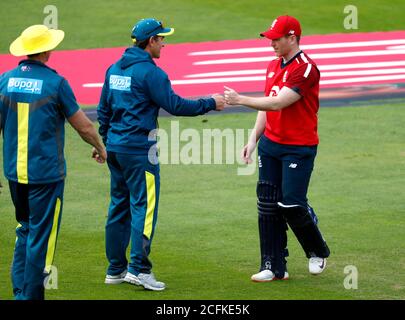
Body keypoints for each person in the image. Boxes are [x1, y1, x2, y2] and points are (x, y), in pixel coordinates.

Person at [98, 18, 225, 291]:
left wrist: (104, 143)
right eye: (161, 38)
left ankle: (115, 269)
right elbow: (175, 105)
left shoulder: (114, 68)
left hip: (116, 149)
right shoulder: (151, 73)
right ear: (151, 41)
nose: (164, 43)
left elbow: (104, 110)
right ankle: (139, 269)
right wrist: (210, 103)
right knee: (144, 209)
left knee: (118, 207)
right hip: (139, 151)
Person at [0, 24, 107, 300]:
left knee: (25, 229)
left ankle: (20, 291)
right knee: (41, 238)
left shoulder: (5, 80)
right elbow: (83, 126)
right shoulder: (55, 83)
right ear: (46, 50)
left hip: (14, 173)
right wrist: (99, 147)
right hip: (46, 175)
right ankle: (30, 296)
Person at [224, 15, 330, 282]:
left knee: (291, 204)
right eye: (270, 38)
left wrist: (239, 100)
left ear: (292, 38)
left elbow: (278, 103)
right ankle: (273, 265)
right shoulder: (273, 66)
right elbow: (267, 107)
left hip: (298, 147)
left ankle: (316, 250)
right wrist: (253, 139)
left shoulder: (305, 69)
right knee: (268, 205)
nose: (271, 43)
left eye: (276, 38)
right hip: (271, 146)